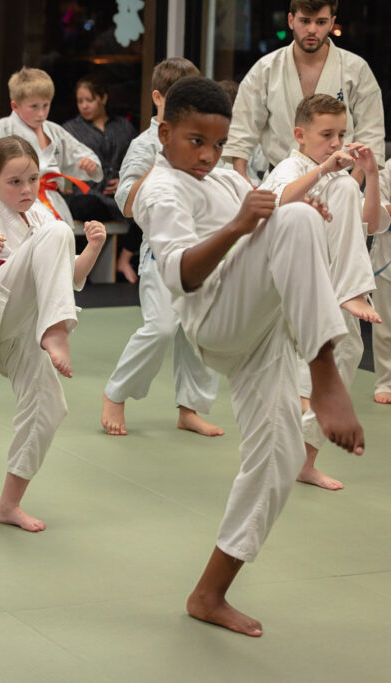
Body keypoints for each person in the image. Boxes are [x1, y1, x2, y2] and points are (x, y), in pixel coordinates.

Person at [137, 76, 364, 637]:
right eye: (196, 142)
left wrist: (290, 210)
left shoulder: (219, 179)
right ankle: (325, 369)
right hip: (214, 316)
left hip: (257, 325)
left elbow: (266, 215)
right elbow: (184, 273)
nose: (209, 156)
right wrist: (251, 222)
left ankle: (209, 592)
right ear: (164, 133)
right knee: (294, 220)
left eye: (217, 145)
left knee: (282, 455)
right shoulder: (162, 190)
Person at [0, 135, 105, 532]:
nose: (27, 189)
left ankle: (9, 505)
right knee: (59, 232)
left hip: (24, 328)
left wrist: (95, 249)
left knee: (49, 408)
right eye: (15, 181)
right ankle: (57, 331)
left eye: (33, 179)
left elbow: (69, 278)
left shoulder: (39, 217)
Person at [258, 93, 384, 490]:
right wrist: (328, 170)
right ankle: (354, 289)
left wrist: (372, 173)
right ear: (299, 134)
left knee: (348, 352)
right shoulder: (291, 168)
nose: (335, 142)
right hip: (289, 279)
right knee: (304, 372)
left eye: (341, 134)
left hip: (330, 280)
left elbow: (370, 224)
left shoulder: (337, 178)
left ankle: (304, 462)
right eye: (326, 134)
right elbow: (276, 203)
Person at [100, 57, 224, 438]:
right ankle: (115, 394)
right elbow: (125, 202)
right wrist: (162, 160)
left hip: (200, 249)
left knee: (198, 332)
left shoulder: (200, 138)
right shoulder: (144, 144)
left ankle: (190, 409)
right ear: (158, 98)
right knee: (161, 327)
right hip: (160, 250)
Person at [225, 0, 384, 184]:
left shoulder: (356, 69)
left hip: (340, 180)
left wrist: (354, 184)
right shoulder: (266, 69)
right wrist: (243, 180)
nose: (312, 30)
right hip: (281, 180)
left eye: (321, 22)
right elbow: (242, 128)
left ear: (332, 23)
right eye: (305, 21)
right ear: (291, 20)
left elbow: (371, 133)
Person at [0, 67, 102, 228]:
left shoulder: (54, 131)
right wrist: (7, 180)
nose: (41, 113)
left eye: (45, 105)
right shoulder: (2, 128)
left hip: (52, 201)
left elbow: (83, 157)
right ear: (15, 106)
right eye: (34, 106)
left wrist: (89, 165)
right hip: (14, 203)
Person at [63, 77, 139, 282]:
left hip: (118, 196)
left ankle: (124, 260)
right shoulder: (69, 130)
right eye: (80, 101)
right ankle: (82, 267)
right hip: (88, 195)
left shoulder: (124, 127)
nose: (84, 106)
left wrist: (124, 181)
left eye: (90, 100)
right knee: (85, 204)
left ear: (103, 98)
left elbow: (136, 161)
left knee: (146, 206)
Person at [373, 165, 391, 405]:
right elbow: (379, 209)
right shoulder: (389, 168)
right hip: (387, 258)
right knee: (385, 326)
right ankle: (385, 381)